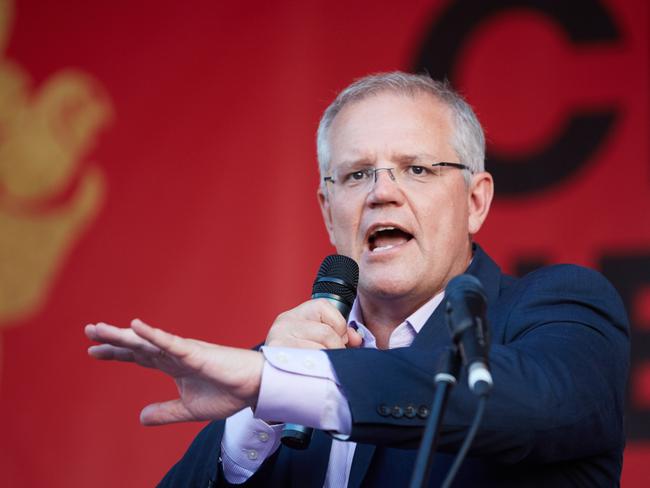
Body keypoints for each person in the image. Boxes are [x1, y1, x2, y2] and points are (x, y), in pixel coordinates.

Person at [85, 72, 630, 487]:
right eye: (356, 174)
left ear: (475, 200)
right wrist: (256, 415)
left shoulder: (558, 306)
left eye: (417, 168)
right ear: (328, 211)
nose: (381, 193)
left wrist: (281, 383)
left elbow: (532, 404)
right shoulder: (281, 368)